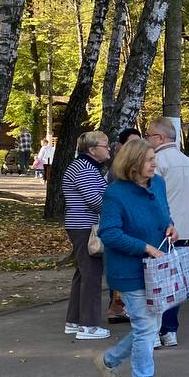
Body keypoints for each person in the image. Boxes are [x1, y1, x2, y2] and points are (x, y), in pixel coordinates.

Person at [91, 138, 178, 377]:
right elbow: (109, 233)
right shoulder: (116, 193)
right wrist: (145, 247)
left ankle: (108, 361)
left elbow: (164, 214)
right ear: (132, 163)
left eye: (155, 158)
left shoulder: (159, 184)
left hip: (157, 268)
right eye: (149, 159)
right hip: (129, 270)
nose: (155, 163)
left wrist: (171, 227)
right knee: (145, 327)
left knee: (148, 327)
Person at [147, 118, 189, 347]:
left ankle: (156, 331)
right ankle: (170, 330)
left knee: (155, 281)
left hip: (160, 230)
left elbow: (152, 197)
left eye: (149, 135)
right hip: (184, 230)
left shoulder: (156, 161)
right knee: (175, 282)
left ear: (160, 137)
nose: (147, 140)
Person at [61, 131, 111, 341]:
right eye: (105, 145)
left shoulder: (87, 167)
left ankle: (74, 321)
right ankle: (88, 325)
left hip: (82, 225)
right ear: (92, 150)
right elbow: (96, 200)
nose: (108, 148)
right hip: (85, 227)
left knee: (83, 273)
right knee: (91, 274)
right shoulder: (84, 168)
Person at [106, 129, 142, 324]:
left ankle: (120, 307)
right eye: (131, 144)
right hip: (123, 232)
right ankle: (118, 308)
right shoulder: (118, 172)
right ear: (120, 146)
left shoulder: (148, 175)